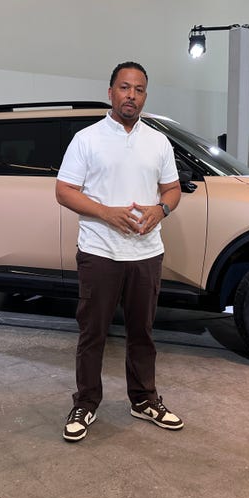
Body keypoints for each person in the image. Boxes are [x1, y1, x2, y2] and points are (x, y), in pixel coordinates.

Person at [56, 61, 183, 442]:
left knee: (142, 332)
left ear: (145, 95)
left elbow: (172, 190)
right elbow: (64, 191)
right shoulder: (87, 138)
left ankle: (143, 399)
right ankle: (86, 401)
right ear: (110, 92)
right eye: (125, 87)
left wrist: (160, 210)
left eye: (139, 89)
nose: (132, 95)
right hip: (99, 252)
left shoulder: (158, 141)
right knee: (92, 332)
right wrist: (107, 213)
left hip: (146, 253)